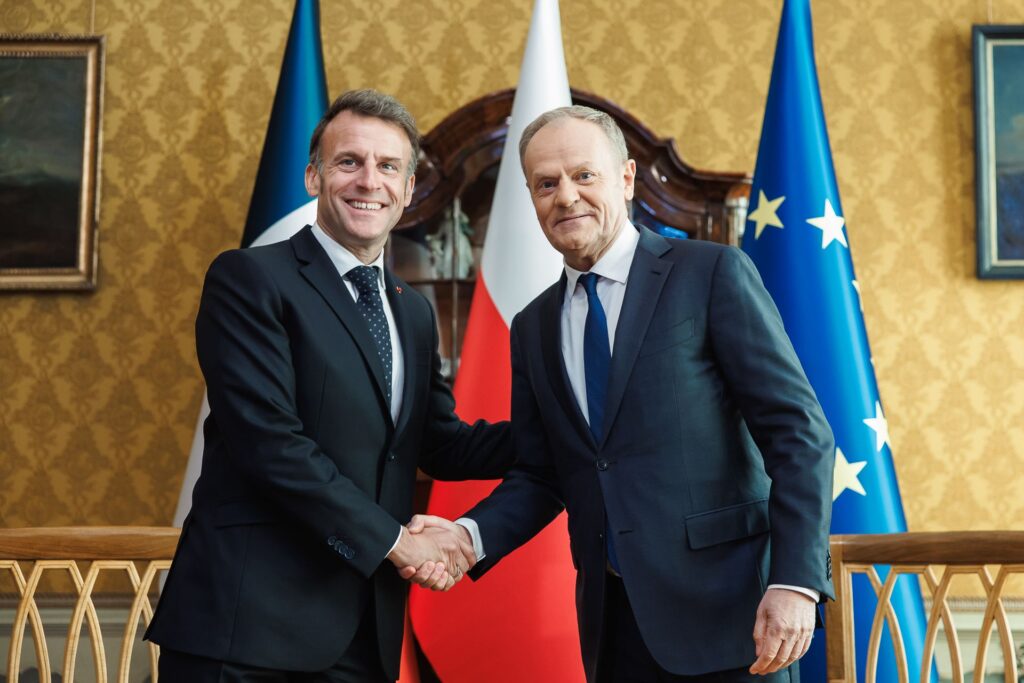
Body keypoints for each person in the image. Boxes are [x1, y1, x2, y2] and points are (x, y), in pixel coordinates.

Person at [406, 106, 836, 682]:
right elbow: (543, 471)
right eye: (546, 184)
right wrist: (467, 537)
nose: (566, 197)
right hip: (613, 629)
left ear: (627, 179)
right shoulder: (533, 326)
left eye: (585, 175)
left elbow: (799, 435)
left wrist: (795, 583)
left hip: (734, 619)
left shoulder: (709, 274)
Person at [146, 89, 512, 683]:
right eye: (350, 162)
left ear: (409, 188)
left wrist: (569, 425)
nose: (370, 181)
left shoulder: (412, 313)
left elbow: (440, 442)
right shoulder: (249, 279)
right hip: (247, 633)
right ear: (314, 176)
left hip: (361, 633)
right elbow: (271, 446)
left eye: (388, 166)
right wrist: (398, 543)